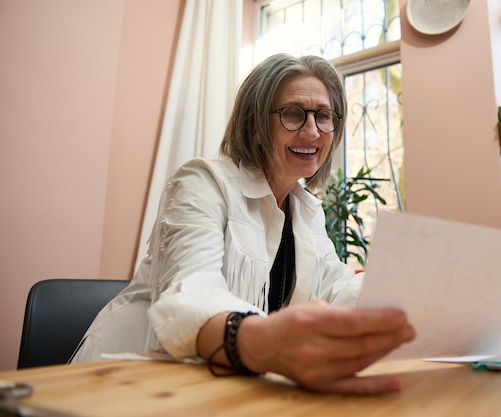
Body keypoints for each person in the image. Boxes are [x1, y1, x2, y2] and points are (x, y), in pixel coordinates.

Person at [71, 53, 415, 394]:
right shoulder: (203, 182)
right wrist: (264, 343)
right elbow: (191, 294)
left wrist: (409, 292)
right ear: (254, 122)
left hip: (223, 385)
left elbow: (335, 288)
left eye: (323, 116)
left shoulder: (308, 211)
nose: (312, 131)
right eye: (293, 114)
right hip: (126, 381)